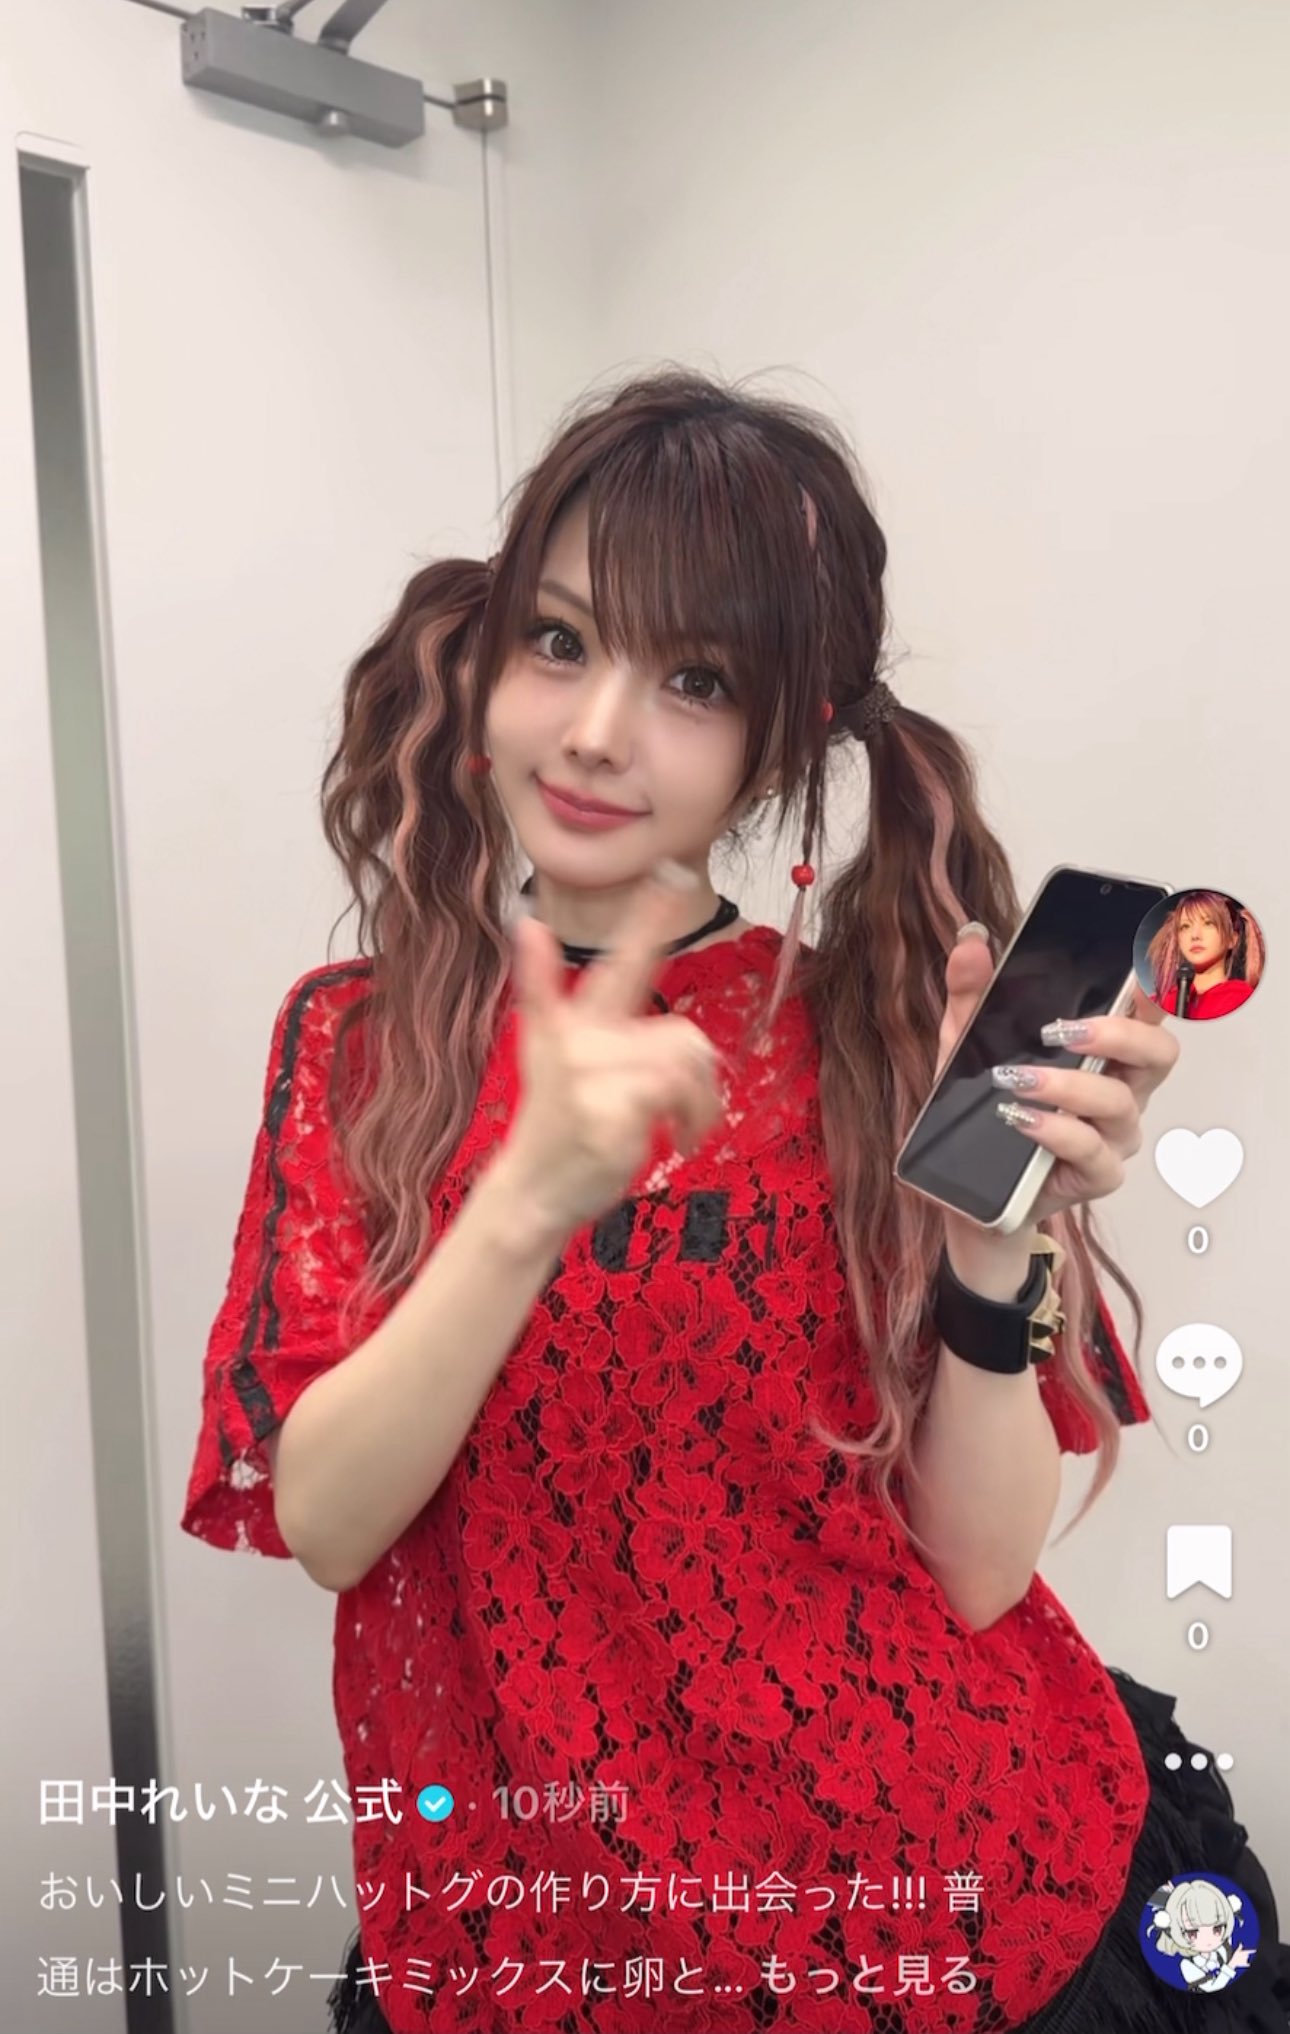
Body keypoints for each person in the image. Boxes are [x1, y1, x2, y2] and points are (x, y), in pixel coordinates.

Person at [180, 368, 1290, 2033]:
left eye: (692, 679)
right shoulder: (361, 1043)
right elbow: (331, 1520)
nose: (597, 727)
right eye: (559, 639)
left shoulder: (863, 1031)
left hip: (942, 1906)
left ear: (782, 736)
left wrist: (994, 1242)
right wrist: (525, 1202)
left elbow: (977, 1571)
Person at [1145, 892, 1264, 1020]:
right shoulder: (1160, 1003)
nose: (1195, 935)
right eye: (1185, 926)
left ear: (1232, 939)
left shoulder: (1243, 1001)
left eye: (1208, 923)